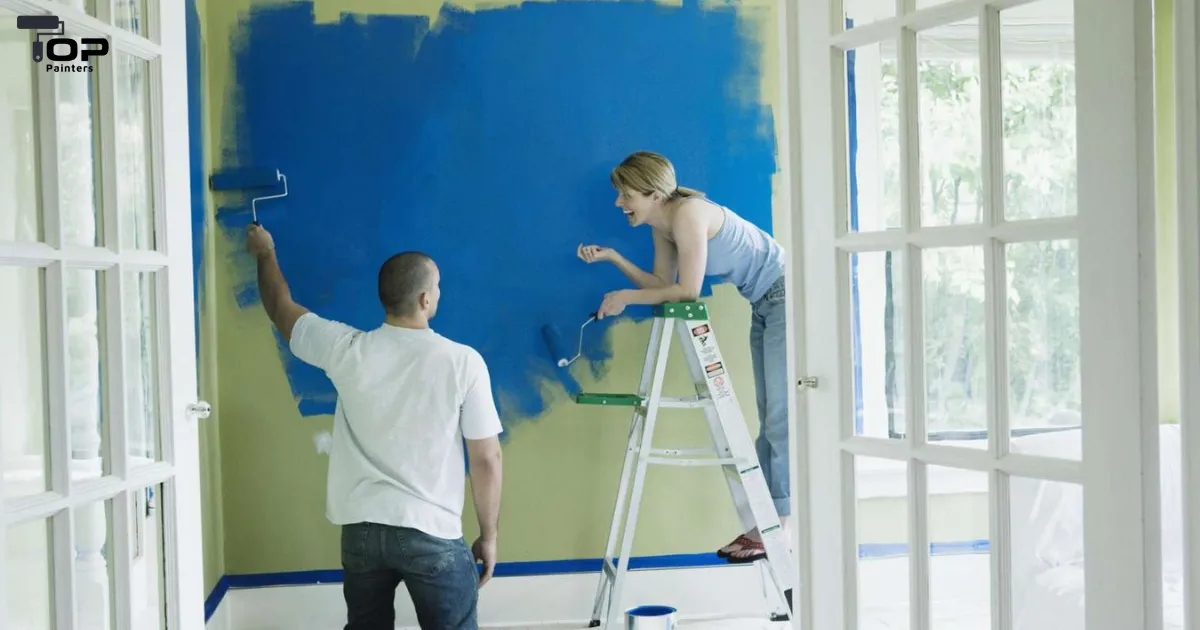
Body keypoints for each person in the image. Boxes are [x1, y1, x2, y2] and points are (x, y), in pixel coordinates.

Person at [245, 223, 504, 629]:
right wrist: (488, 537)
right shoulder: (463, 362)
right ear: (425, 299)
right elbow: (486, 458)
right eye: (437, 287)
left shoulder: (346, 349)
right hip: (430, 531)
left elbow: (280, 306)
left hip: (361, 531)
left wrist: (265, 253)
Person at [576, 151, 788, 564]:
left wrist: (626, 299)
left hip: (787, 296)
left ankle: (782, 524)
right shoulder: (663, 224)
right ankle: (769, 522)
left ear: (654, 194)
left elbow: (688, 291)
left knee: (780, 415)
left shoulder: (689, 214)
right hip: (765, 303)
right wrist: (615, 260)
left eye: (626, 195)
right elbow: (662, 283)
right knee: (769, 414)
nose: (620, 204)